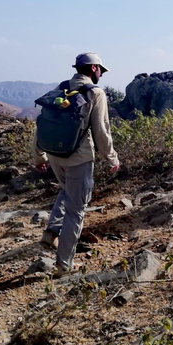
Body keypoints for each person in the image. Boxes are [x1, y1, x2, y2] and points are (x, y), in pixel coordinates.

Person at [33, 52, 120, 277]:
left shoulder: (62, 88)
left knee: (66, 191)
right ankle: (64, 266)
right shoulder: (95, 93)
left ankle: (51, 232)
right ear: (93, 69)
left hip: (54, 154)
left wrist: (38, 155)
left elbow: (44, 122)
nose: (101, 73)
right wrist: (111, 157)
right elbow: (101, 129)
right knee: (76, 210)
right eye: (100, 69)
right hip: (79, 157)